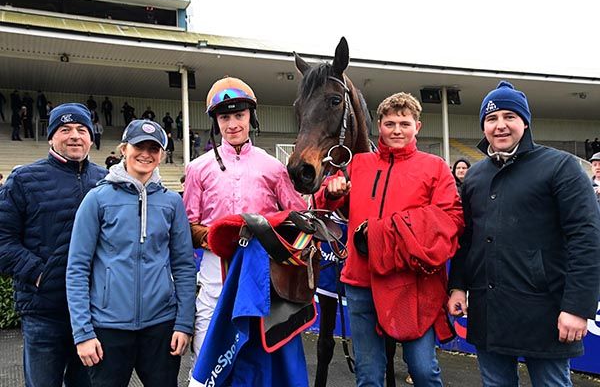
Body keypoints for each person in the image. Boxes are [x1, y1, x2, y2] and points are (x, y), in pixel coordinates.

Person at [448, 81, 600, 387]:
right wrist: (458, 286)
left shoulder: (561, 167)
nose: (500, 125)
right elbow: (467, 239)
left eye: (509, 117)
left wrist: (577, 307)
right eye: (491, 119)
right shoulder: (476, 175)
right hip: (488, 312)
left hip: (545, 313)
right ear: (483, 126)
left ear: (525, 122)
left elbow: (587, 238)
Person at [316, 92, 463, 387]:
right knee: (368, 375)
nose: (397, 130)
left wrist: (389, 230)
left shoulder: (434, 167)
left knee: (423, 370)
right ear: (379, 126)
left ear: (417, 127)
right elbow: (322, 206)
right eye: (390, 123)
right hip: (361, 282)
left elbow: (452, 220)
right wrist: (331, 193)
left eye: (404, 124)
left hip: (411, 283)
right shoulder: (357, 164)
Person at [183, 76, 306, 361]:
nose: (233, 124)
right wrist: (221, 238)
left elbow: (296, 215)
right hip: (215, 264)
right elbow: (188, 225)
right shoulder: (197, 168)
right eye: (225, 117)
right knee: (207, 331)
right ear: (217, 122)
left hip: (261, 264)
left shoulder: (274, 167)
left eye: (239, 115)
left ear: (251, 116)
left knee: (256, 339)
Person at [66, 119, 196, 387]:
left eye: (154, 148)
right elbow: (77, 268)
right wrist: (83, 333)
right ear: (124, 149)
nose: (146, 154)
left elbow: (183, 266)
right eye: (139, 146)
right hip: (107, 328)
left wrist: (184, 324)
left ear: (161, 154)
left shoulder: (172, 202)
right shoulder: (98, 199)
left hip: (161, 328)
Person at [0, 103, 106, 387]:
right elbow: (3, 240)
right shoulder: (23, 180)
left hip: (92, 313)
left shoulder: (105, 181)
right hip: (44, 313)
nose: (74, 136)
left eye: (81, 129)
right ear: (51, 137)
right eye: (65, 129)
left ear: (91, 137)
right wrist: (39, 274)